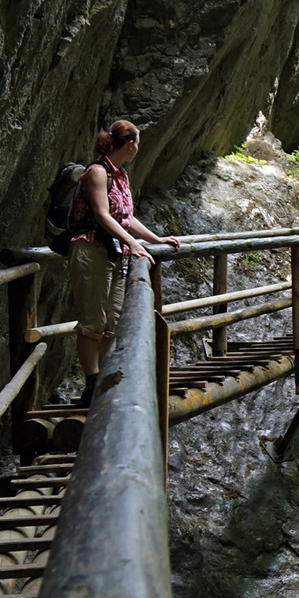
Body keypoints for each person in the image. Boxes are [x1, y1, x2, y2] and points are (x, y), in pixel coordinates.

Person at [69, 119, 180, 405]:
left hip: (114, 254)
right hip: (91, 250)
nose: (138, 149)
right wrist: (132, 243)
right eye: (137, 143)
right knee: (92, 322)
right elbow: (103, 215)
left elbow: (126, 218)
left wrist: (156, 240)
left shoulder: (121, 176)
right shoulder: (97, 172)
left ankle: (105, 381)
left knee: (112, 322)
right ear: (129, 144)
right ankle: (92, 384)